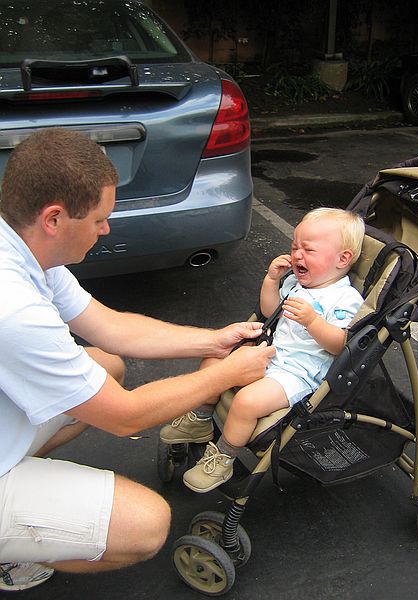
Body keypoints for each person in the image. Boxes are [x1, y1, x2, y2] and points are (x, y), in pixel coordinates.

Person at [0, 127, 275, 592]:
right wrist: (226, 375)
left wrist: (212, 341)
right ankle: (12, 551)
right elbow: (124, 417)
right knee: (147, 524)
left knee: (107, 365)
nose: (107, 228)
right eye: (99, 220)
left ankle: (23, 485)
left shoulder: (25, 250)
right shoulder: (14, 308)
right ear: (53, 218)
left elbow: (110, 327)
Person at [160, 207, 365, 493]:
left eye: (308, 250)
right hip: (271, 355)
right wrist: (271, 281)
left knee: (246, 402)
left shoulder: (344, 298)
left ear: (343, 259)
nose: (296, 255)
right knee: (214, 360)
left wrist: (313, 321)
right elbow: (271, 313)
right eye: (294, 246)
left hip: (298, 375)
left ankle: (223, 457)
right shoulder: (295, 282)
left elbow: (340, 344)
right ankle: (201, 419)